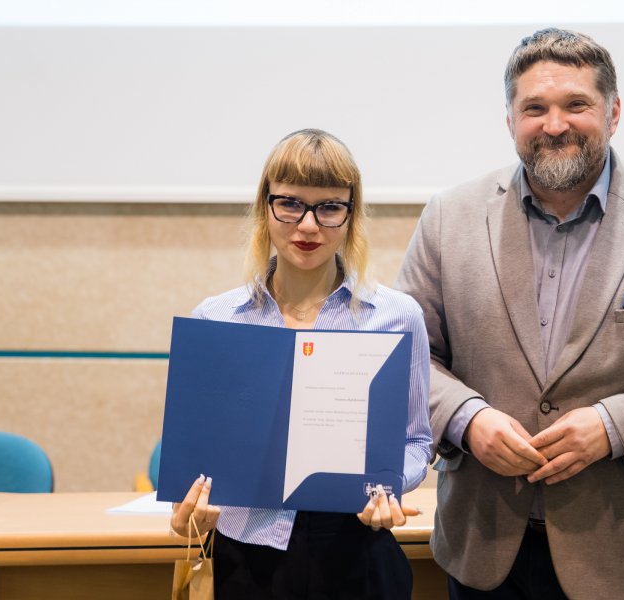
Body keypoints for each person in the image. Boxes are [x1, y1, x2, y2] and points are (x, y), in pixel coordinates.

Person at [396, 28, 624, 600]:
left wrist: (616, 425)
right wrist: (466, 419)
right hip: (483, 544)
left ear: (613, 113)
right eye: (534, 108)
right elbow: (407, 357)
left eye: (576, 104)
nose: (554, 124)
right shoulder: (448, 218)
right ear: (510, 119)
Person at [169, 128, 432, 599]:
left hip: (358, 551)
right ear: (264, 207)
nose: (308, 226)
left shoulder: (397, 316)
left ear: (351, 214)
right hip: (247, 558)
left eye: (329, 207)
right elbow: (198, 451)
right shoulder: (217, 318)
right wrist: (189, 505)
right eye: (289, 204)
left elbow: (416, 440)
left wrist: (388, 487)